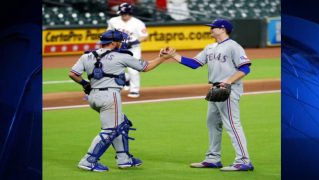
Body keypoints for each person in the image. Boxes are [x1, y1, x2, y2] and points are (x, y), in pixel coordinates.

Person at [69, 29, 176, 172]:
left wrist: (85, 84)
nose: (121, 43)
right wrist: (163, 58)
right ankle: (89, 160)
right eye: (119, 41)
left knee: (122, 125)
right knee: (111, 129)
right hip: (110, 96)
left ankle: (124, 159)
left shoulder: (87, 56)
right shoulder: (120, 56)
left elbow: (73, 74)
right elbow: (146, 67)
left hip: (93, 96)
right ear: (113, 42)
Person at [163, 19, 254, 171]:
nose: (211, 29)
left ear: (223, 29)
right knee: (212, 124)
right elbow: (194, 63)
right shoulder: (210, 47)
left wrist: (229, 81)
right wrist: (173, 55)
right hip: (216, 89)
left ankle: (244, 161)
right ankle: (213, 158)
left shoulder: (234, 46)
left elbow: (245, 68)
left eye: (214, 27)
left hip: (229, 89)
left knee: (232, 124)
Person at [107, 2, 148, 98]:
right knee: (113, 68)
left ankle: (135, 90)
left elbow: (144, 36)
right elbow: (109, 32)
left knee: (133, 70)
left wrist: (132, 43)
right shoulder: (113, 20)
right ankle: (127, 78)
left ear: (130, 13)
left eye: (125, 13)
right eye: (121, 13)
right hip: (118, 48)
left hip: (133, 49)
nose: (123, 15)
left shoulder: (138, 23)